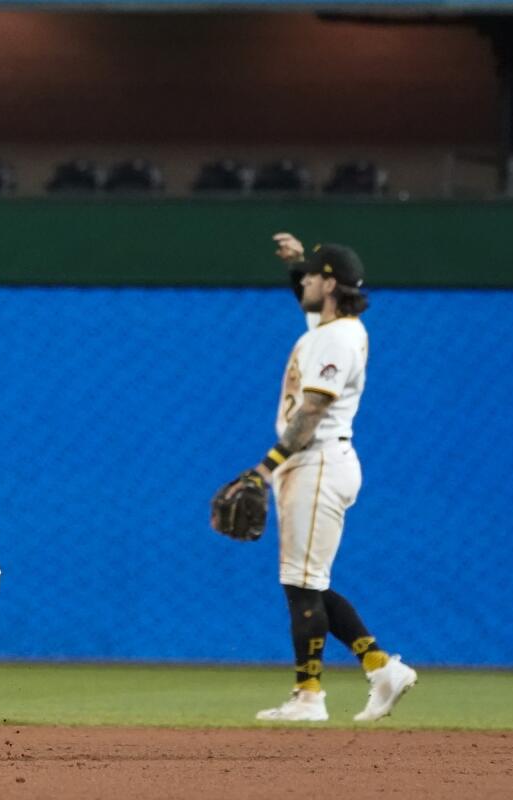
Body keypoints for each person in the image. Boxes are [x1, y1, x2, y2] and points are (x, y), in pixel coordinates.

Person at [212, 232, 417, 723]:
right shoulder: (331, 330)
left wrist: (265, 466)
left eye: (310, 275)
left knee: (302, 584)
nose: (302, 281)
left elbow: (313, 410)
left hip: (319, 460)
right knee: (307, 583)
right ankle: (381, 668)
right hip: (316, 462)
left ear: (330, 284)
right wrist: (297, 264)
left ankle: (310, 697)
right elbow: (311, 313)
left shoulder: (340, 337)